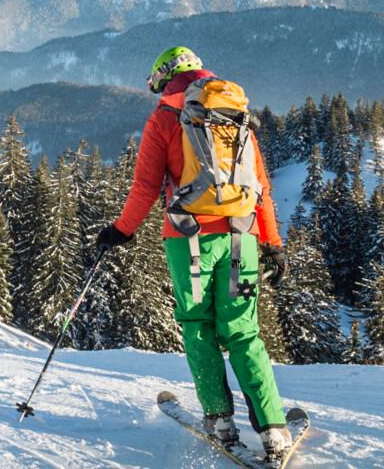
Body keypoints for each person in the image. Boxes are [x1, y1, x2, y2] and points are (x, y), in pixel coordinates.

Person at [96, 47, 291, 462]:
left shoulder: (163, 119)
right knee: (243, 332)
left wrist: (120, 231)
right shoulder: (235, 115)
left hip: (188, 242)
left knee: (198, 325)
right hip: (243, 238)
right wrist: (273, 243)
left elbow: (147, 187)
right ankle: (274, 428)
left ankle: (220, 419)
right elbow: (261, 188)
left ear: (165, 80)